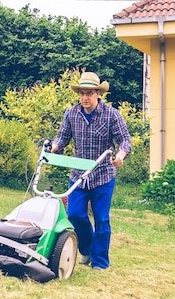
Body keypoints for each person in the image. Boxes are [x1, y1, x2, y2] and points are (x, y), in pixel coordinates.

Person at [50, 71, 131, 270]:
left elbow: (125, 140)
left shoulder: (111, 115)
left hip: (103, 175)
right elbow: (62, 137)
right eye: (82, 93)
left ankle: (100, 263)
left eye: (89, 93)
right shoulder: (71, 113)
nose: (85, 97)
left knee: (102, 219)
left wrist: (120, 155)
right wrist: (54, 146)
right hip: (79, 175)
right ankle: (86, 249)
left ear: (98, 94)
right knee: (75, 214)